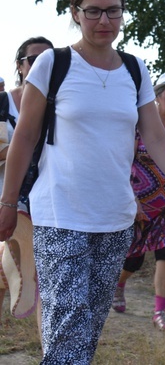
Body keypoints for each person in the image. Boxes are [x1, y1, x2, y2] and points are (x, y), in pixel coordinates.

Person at [0, 0, 165, 364]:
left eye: (113, 12)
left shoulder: (135, 69)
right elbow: (25, 138)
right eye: (94, 12)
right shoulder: (52, 64)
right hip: (61, 213)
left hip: (115, 218)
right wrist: (8, 203)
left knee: (88, 327)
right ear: (75, 13)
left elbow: (155, 136)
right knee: (68, 329)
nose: (104, 22)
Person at [112, 71, 165, 333]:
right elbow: (125, 162)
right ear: (156, 97)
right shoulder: (139, 127)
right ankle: (119, 285)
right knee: (133, 260)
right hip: (139, 204)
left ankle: (160, 312)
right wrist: (131, 198)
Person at [0, 37, 53, 335]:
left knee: (42, 283)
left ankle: (49, 351)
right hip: (4, 201)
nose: (41, 65)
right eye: (34, 59)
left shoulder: (58, 110)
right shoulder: (2, 103)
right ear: (20, 66)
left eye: (50, 60)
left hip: (43, 205)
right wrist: (24, 142)